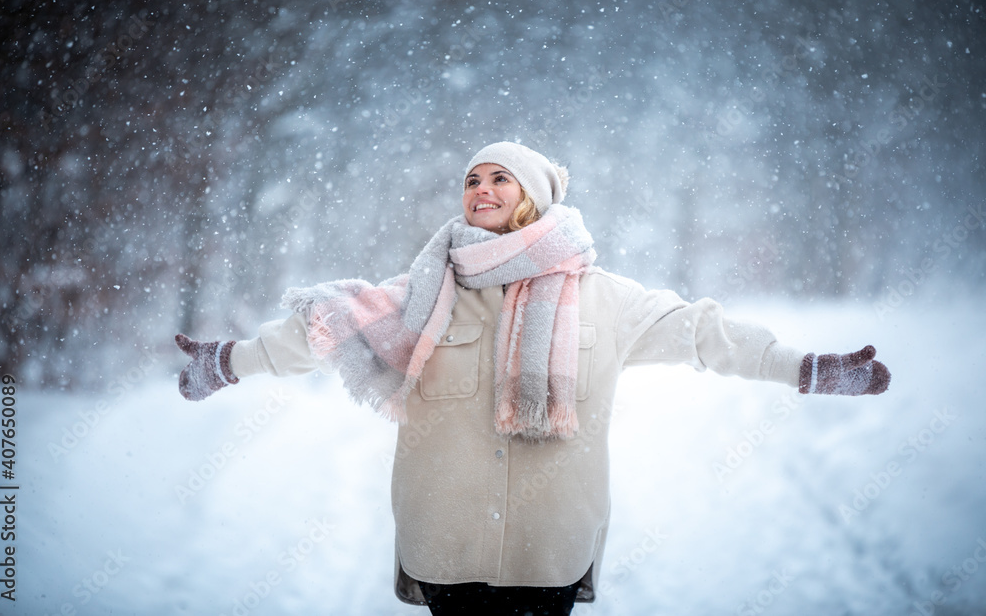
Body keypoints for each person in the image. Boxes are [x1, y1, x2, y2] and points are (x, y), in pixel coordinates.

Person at [174, 141, 890, 615]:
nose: (480, 188)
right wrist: (226, 362)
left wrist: (808, 368)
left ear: (535, 194)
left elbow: (706, 333)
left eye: (498, 177)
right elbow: (321, 327)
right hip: (445, 544)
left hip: (548, 548)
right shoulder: (423, 293)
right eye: (471, 179)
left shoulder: (602, 297)